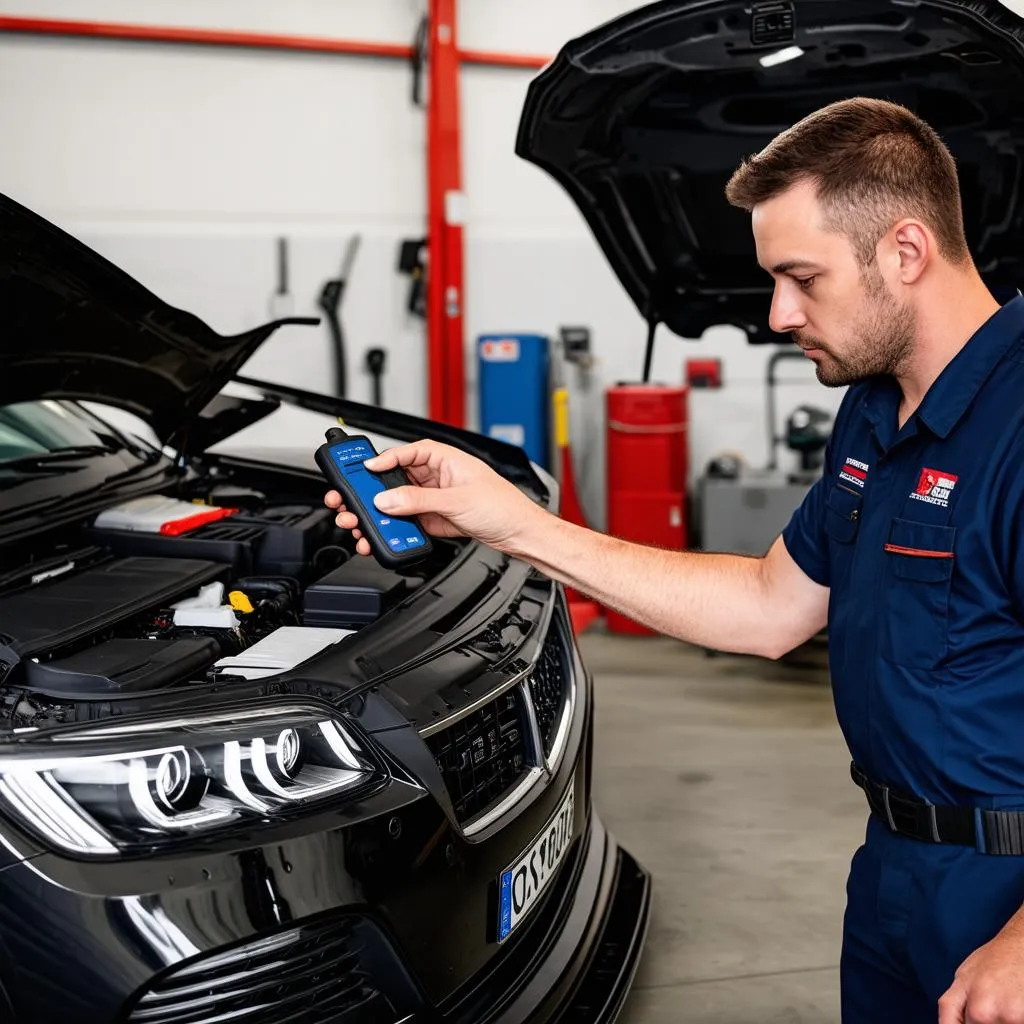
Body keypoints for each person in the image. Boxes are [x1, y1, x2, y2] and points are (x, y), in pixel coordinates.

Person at [326, 97, 1024, 1024]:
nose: (778, 313)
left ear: (904, 251)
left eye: (801, 278)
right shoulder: (876, 407)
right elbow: (772, 606)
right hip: (896, 866)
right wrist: (508, 521)